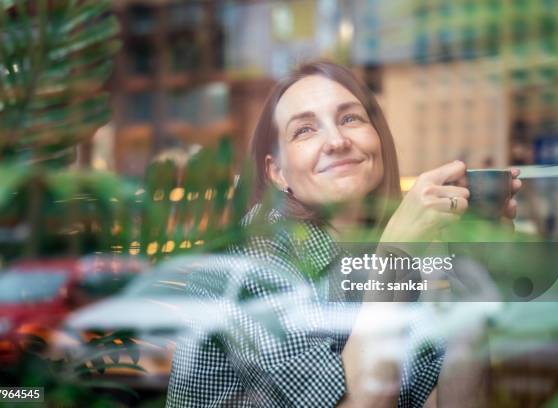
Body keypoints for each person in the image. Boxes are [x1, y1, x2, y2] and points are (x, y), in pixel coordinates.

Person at [166, 60, 521, 407]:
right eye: (305, 129)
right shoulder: (252, 261)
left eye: (350, 118)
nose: (336, 141)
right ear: (278, 173)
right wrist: (396, 250)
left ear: (378, 140)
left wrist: (466, 273)